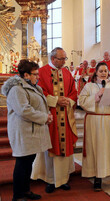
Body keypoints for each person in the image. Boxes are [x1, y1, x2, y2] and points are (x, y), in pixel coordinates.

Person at [1, 59, 52, 201]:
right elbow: (24, 110)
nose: (38, 77)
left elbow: (39, 104)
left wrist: (46, 115)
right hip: (23, 131)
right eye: (35, 74)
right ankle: (17, 197)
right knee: (22, 164)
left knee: (29, 161)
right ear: (26, 75)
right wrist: (44, 117)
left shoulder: (31, 86)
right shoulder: (17, 89)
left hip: (32, 131)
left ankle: (25, 190)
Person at [31, 47, 78, 193]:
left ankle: (63, 179)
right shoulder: (42, 71)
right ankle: (51, 180)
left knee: (64, 148)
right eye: (62, 59)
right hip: (50, 116)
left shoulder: (66, 72)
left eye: (65, 58)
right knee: (50, 147)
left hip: (65, 115)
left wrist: (68, 101)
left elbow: (74, 91)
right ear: (53, 59)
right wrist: (56, 100)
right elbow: (38, 91)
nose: (64, 61)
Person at [79, 62, 110, 191]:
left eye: (105, 71)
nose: (103, 73)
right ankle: (98, 178)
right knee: (98, 149)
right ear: (96, 72)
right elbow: (82, 101)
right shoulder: (89, 86)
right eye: (100, 71)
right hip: (95, 121)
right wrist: (96, 96)